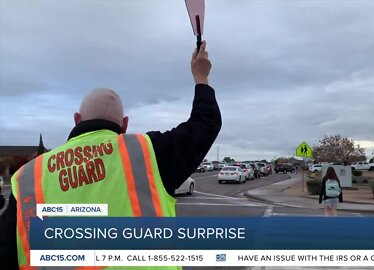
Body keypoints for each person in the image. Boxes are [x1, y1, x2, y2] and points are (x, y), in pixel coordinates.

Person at [0, 41, 221, 270]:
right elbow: (205, 124)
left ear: (77, 119)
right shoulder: (147, 151)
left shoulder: (28, 178)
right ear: (124, 125)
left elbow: (7, 252)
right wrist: (201, 77)